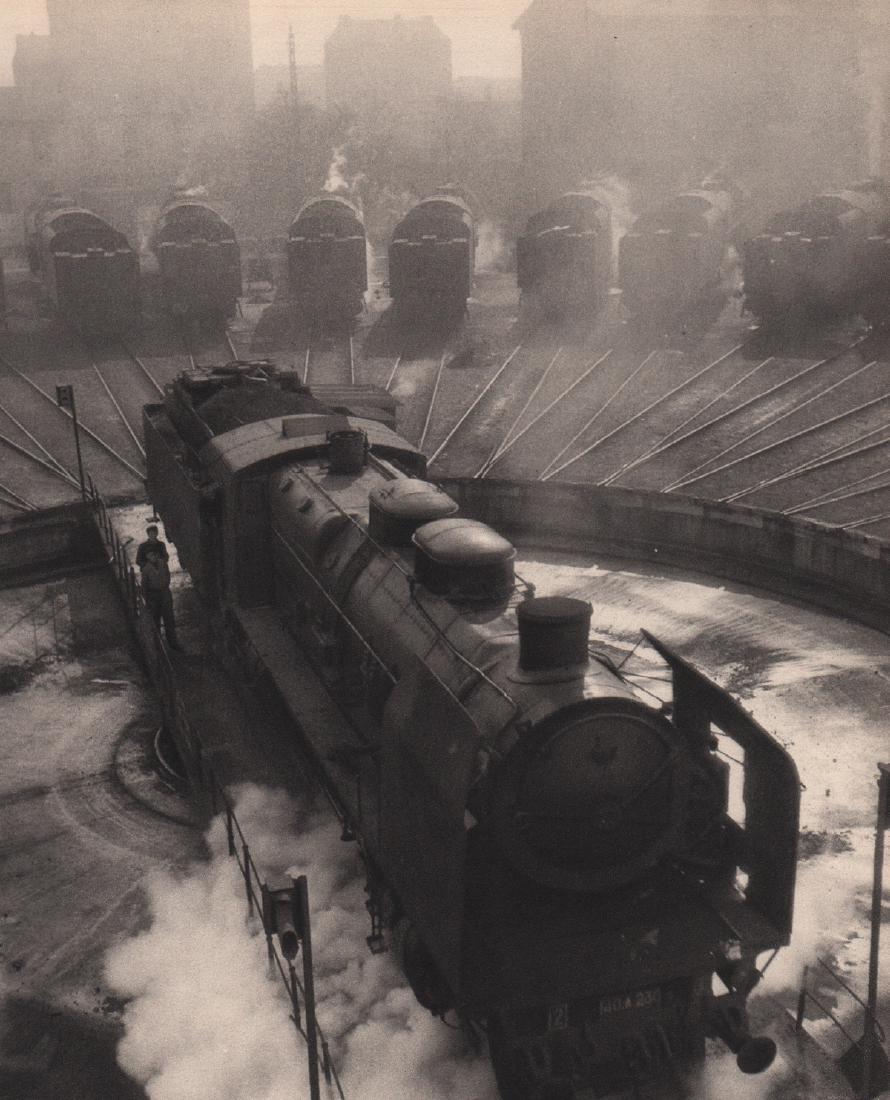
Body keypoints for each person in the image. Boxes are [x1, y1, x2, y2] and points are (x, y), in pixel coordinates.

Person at [141, 547, 181, 651]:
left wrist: (165, 585)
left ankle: (173, 642)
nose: (152, 557)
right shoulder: (146, 569)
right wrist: (147, 601)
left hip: (165, 593)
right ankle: (158, 646)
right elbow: (144, 586)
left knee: (169, 619)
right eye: (150, 556)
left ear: (156, 555)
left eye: (154, 555)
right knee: (156, 620)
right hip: (154, 596)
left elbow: (168, 575)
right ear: (147, 557)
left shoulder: (163, 564)